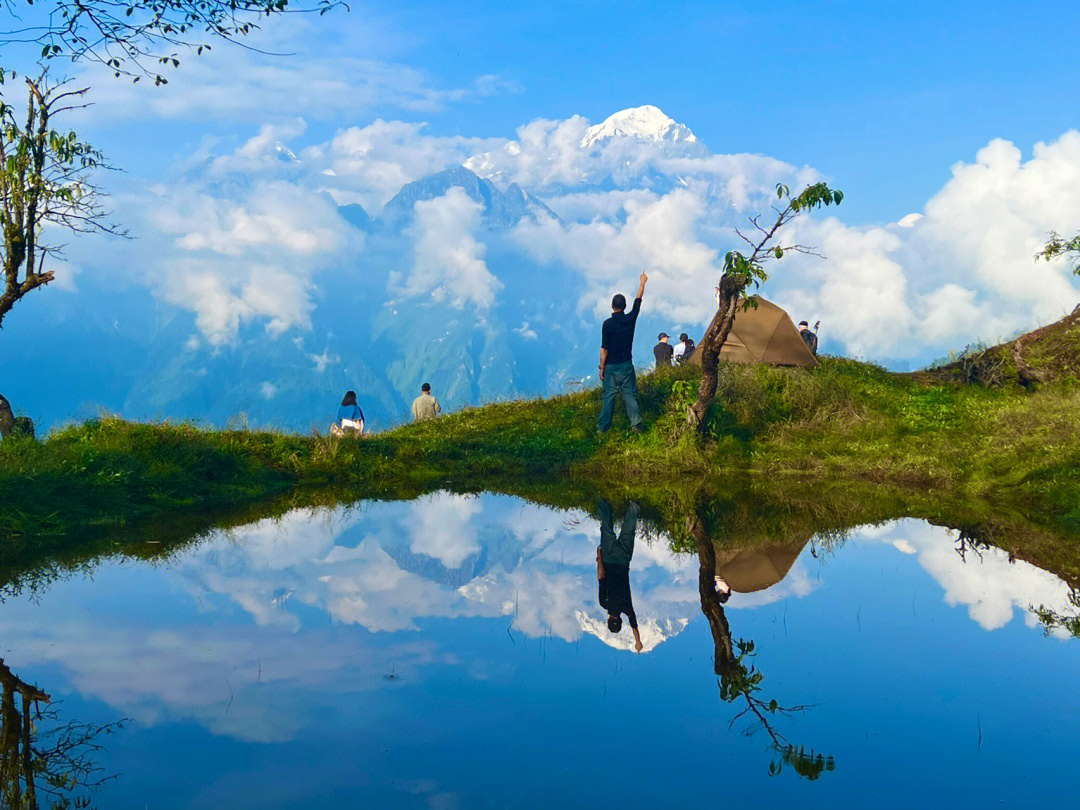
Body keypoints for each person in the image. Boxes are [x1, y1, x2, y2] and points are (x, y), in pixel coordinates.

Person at [598, 272, 648, 434]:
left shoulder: (607, 324)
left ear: (612, 306)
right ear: (625, 306)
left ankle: (603, 428)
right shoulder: (630, 319)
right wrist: (642, 283)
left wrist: (602, 367)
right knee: (629, 396)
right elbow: (638, 302)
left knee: (609, 397)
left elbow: (604, 348)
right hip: (626, 364)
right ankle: (636, 425)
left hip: (611, 366)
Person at [597, 499, 643, 653]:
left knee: (628, 532)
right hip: (609, 559)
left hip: (623, 561)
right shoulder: (604, 603)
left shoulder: (626, 608)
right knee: (607, 529)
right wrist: (600, 558)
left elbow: (634, 624)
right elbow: (601, 577)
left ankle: (633, 506)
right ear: (609, 620)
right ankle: (604, 503)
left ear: (620, 620)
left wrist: (638, 641)